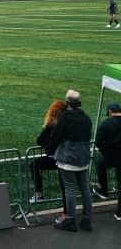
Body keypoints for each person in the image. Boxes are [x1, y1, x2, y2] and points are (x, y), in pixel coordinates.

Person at [49, 90, 93, 232]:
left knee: (70, 190)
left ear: (67, 102)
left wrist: (49, 150)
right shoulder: (86, 117)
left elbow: (56, 137)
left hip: (68, 158)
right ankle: (87, 219)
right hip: (84, 157)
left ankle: (70, 220)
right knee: (85, 189)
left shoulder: (66, 118)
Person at [30, 100, 68, 210]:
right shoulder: (67, 123)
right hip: (68, 157)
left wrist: (48, 144)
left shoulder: (52, 125)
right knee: (67, 185)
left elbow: (40, 141)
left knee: (33, 165)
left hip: (55, 158)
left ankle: (39, 193)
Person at [93, 101, 121, 220]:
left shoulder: (105, 124)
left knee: (99, 163)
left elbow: (99, 142)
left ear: (110, 111)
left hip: (112, 157)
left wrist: (107, 154)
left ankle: (103, 190)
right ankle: (119, 212)